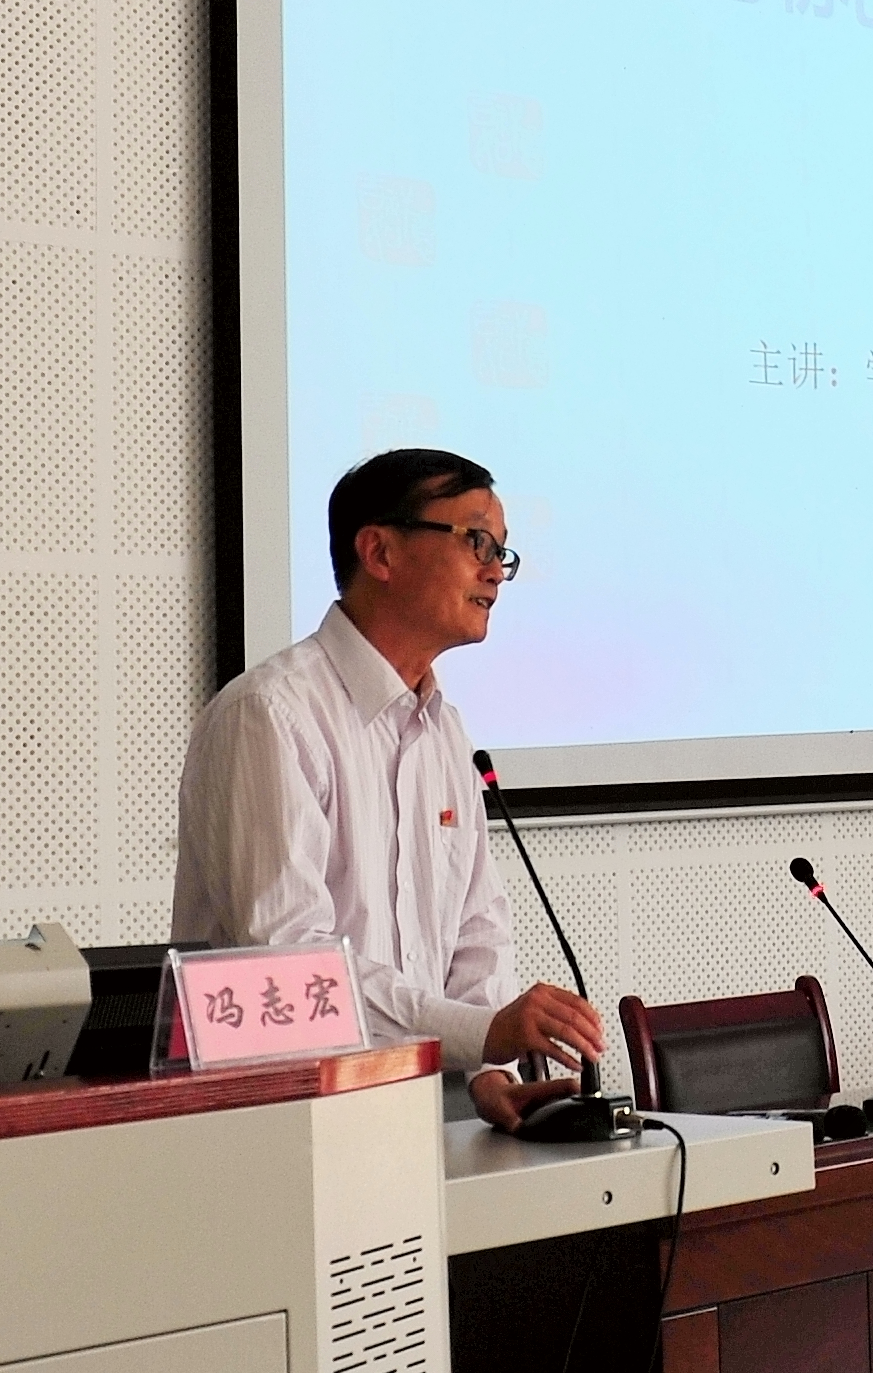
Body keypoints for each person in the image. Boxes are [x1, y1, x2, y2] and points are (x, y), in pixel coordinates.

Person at [172, 447, 603, 1129]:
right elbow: (292, 966)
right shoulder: (272, 715)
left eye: (501, 551)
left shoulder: (445, 730)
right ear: (379, 551)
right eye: (476, 541)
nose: (495, 570)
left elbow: (477, 928)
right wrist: (481, 1032)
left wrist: (489, 1073)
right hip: (281, 1127)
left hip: (416, 1120)